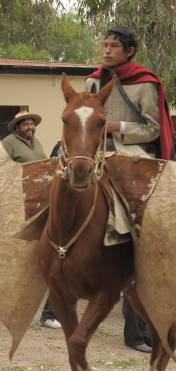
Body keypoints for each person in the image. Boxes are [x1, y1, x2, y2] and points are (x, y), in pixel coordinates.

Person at [86, 26, 173, 354]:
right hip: (92, 153)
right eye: (104, 44)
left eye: (114, 46)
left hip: (133, 155)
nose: (106, 50)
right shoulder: (92, 80)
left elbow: (151, 128)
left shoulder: (146, 83)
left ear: (129, 51)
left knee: (149, 221)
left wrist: (116, 127)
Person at [2, 111, 61, 329]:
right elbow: (1, 169)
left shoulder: (38, 144)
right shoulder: (8, 143)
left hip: (38, 204)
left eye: (31, 123)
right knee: (15, 253)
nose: (29, 127)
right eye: (25, 124)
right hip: (17, 202)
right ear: (16, 127)